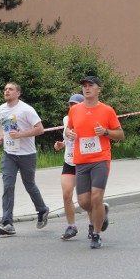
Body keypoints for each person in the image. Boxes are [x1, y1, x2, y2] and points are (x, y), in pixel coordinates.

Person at [65, 75, 124, 249]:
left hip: (100, 159)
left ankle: (96, 235)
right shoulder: (75, 110)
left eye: (91, 85)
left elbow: (120, 135)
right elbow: (69, 128)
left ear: (99, 89)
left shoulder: (107, 110)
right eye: (84, 86)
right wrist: (69, 133)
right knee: (84, 202)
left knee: (96, 197)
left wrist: (105, 132)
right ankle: (101, 212)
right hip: (81, 160)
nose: (87, 88)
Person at [0, 82, 49, 235]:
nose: (7, 91)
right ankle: (7, 223)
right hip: (9, 153)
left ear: (18, 93)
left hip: (27, 154)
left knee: (29, 184)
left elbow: (40, 129)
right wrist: (1, 138)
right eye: (5, 89)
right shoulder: (1, 109)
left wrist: (21, 135)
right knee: (8, 185)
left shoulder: (26, 109)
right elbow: (2, 126)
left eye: (10, 89)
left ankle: (42, 209)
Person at [54, 93, 85, 240]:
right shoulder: (66, 119)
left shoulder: (87, 118)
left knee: (86, 199)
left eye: (75, 104)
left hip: (84, 161)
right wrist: (62, 144)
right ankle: (71, 226)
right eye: (70, 104)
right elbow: (68, 138)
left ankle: (95, 221)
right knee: (67, 194)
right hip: (69, 161)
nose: (72, 107)